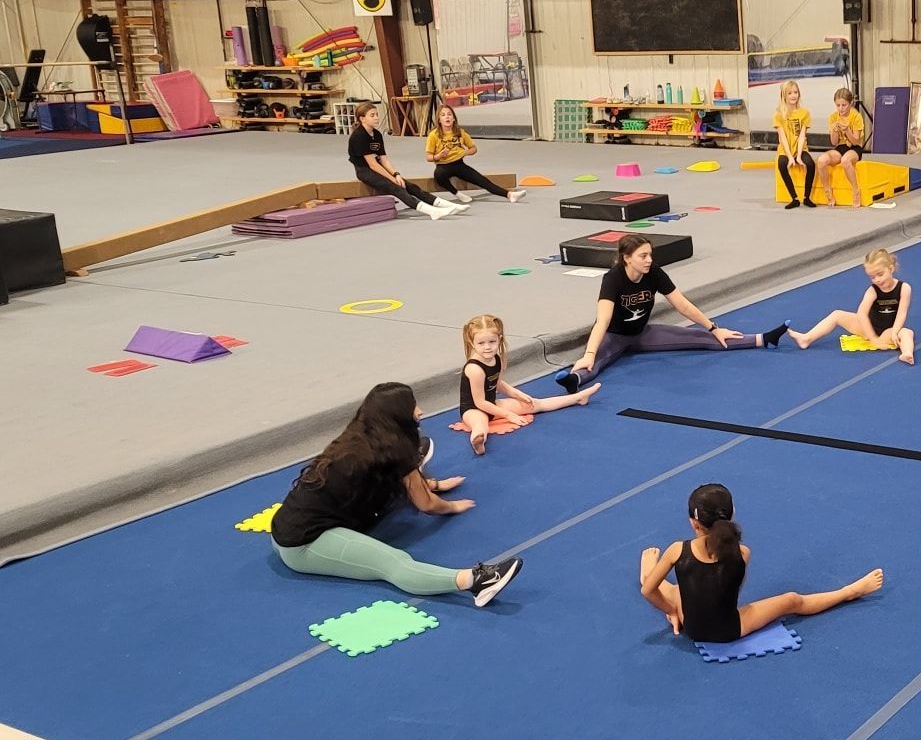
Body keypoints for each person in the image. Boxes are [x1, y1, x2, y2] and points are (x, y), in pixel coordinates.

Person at [269, 382, 522, 606]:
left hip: (284, 525)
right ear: (398, 415)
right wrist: (452, 506)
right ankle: (475, 581)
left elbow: (373, 483)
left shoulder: (357, 437)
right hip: (303, 544)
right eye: (414, 406)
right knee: (394, 562)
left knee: (391, 500)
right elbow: (427, 506)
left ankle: (417, 476)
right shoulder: (396, 451)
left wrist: (431, 483)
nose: (420, 411)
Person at [639, 483, 885, 642]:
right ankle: (848, 592)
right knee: (792, 600)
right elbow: (728, 594)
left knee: (670, 588)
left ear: (693, 522)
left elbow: (647, 592)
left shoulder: (676, 550)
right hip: (729, 630)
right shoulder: (742, 553)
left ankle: (649, 568)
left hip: (692, 628)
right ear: (732, 513)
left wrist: (672, 611)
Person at [554, 235, 790, 392]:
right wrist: (590, 352)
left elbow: (682, 305)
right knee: (593, 362)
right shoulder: (613, 279)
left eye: (650, 255)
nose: (649, 260)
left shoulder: (654, 273)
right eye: (643, 256)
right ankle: (574, 380)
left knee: (701, 338)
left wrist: (714, 327)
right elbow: (603, 320)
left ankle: (763, 339)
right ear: (627, 258)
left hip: (642, 333)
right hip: (615, 336)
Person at [458, 314, 599, 455]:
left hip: (492, 403)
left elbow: (498, 384)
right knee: (480, 423)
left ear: (499, 339)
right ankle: (478, 441)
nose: (487, 347)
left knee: (535, 403)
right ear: (472, 343)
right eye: (481, 343)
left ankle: (578, 397)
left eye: (492, 342)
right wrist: (508, 415)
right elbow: (480, 402)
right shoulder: (474, 369)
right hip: (472, 409)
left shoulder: (497, 359)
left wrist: (519, 395)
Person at [787, 248, 915, 365]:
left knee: (907, 333)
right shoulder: (872, 291)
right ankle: (806, 338)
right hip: (868, 327)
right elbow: (862, 314)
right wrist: (873, 338)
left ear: (891, 269)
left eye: (880, 274)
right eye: (872, 277)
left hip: (889, 330)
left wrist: (895, 332)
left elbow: (901, 314)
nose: (877, 280)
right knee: (837, 314)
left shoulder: (904, 288)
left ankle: (907, 353)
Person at [348, 102, 466, 221]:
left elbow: (384, 159)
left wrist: (396, 174)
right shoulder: (359, 136)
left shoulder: (377, 134)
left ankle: (445, 204)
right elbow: (372, 165)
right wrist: (392, 179)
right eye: (372, 115)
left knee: (410, 186)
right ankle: (432, 211)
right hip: (365, 170)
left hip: (378, 167)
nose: (377, 117)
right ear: (362, 119)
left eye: (377, 114)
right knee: (396, 188)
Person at [425, 105, 524, 204]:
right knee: (438, 175)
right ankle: (457, 193)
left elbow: (474, 149)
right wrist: (438, 156)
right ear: (439, 120)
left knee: (482, 180)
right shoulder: (434, 135)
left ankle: (509, 195)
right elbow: (428, 157)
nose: (447, 117)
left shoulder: (460, 132)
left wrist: (465, 152)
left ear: (454, 118)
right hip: (443, 166)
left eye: (449, 114)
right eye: (443, 115)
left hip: (459, 164)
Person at [814, 87, 867, 208]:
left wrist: (847, 130)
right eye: (838, 105)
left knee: (845, 161)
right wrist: (834, 131)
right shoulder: (833, 117)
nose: (841, 108)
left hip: (855, 148)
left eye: (844, 105)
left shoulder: (856, 116)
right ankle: (828, 191)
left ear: (850, 104)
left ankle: (856, 191)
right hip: (840, 147)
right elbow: (834, 142)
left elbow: (856, 141)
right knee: (822, 160)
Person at [775, 80, 817, 209]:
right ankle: (794, 198)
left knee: (810, 164)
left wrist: (798, 156)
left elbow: (802, 136)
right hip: (785, 149)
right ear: (784, 96)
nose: (793, 95)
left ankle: (807, 197)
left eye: (796, 92)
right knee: (782, 165)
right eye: (790, 93)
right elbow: (782, 138)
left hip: (800, 148)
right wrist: (790, 157)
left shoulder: (804, 113)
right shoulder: (779, 114)